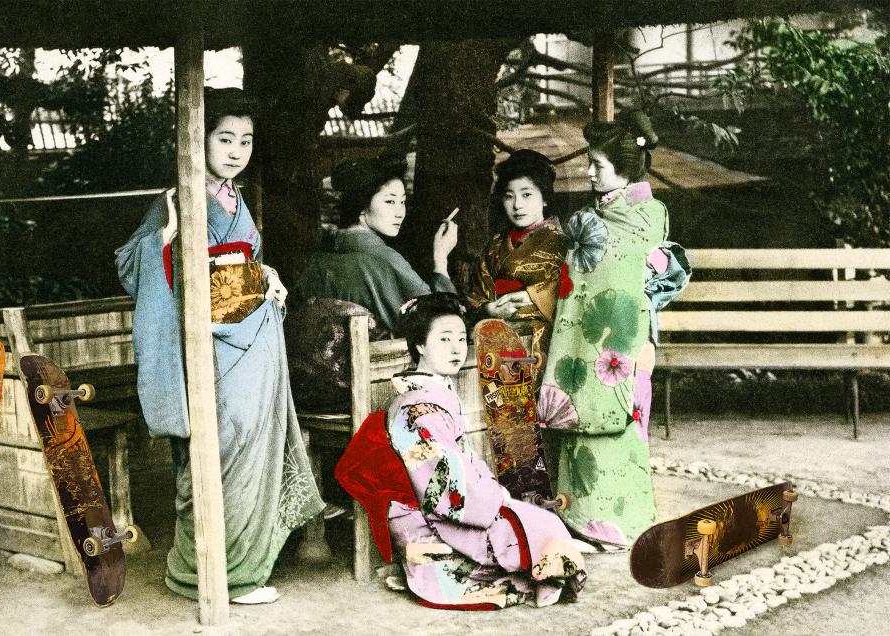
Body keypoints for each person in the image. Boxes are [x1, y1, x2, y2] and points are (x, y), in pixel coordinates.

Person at [115, 87, 323, 605]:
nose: (236, 151)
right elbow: (131, 262)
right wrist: (164, 236)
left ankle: (243, 570)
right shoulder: (177, 197)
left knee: (253, 447)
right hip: (210, 344)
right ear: (199, 139)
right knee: (214, 448)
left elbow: (245, 258)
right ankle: (201, 572)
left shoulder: (236, 197)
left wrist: (266, 274)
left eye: (245, 141)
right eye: (225, 138)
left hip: (256, 338)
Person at [339, 293, 587, 609]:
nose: (457, 348)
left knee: (540, 523)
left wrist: (493, 491)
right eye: (444, 339)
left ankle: (544, 570)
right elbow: (440, 478)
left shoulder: (437, 392)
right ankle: (540, 573)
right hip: (429, 516)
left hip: (459, 501)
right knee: (534, 530)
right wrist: (491, 499)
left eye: (460, 339)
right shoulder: (417, 408)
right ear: (420, 346)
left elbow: (464, 457)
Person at [537, 111, 669, 549]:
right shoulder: (587, 219)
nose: (589, 172)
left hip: (629, 341)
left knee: (624, 427)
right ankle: (580, 518)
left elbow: (648, 282)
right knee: (582, 419)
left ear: (625, 168)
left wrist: (644, 336)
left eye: (598, 165)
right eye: (589, 163)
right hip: (584, 340)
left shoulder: (650, 215)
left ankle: (622, 523)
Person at [291, 156, 459, 333]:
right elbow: (442, 324)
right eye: (390, 201)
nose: (400, 213)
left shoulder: (319, 259)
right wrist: (441, 259)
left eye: (402, 202)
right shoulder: (384, 261)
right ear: (362, 205)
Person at [467, 149, 565, 376]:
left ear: (545, 198)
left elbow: (570, 294)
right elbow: (475, 293)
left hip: (542, 344)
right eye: (509, 196)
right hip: (496, 342)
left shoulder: (561, 244)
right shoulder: (494, 246)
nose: (517, 205)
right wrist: (488, 308)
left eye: (527, 194)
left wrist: (532, 296)